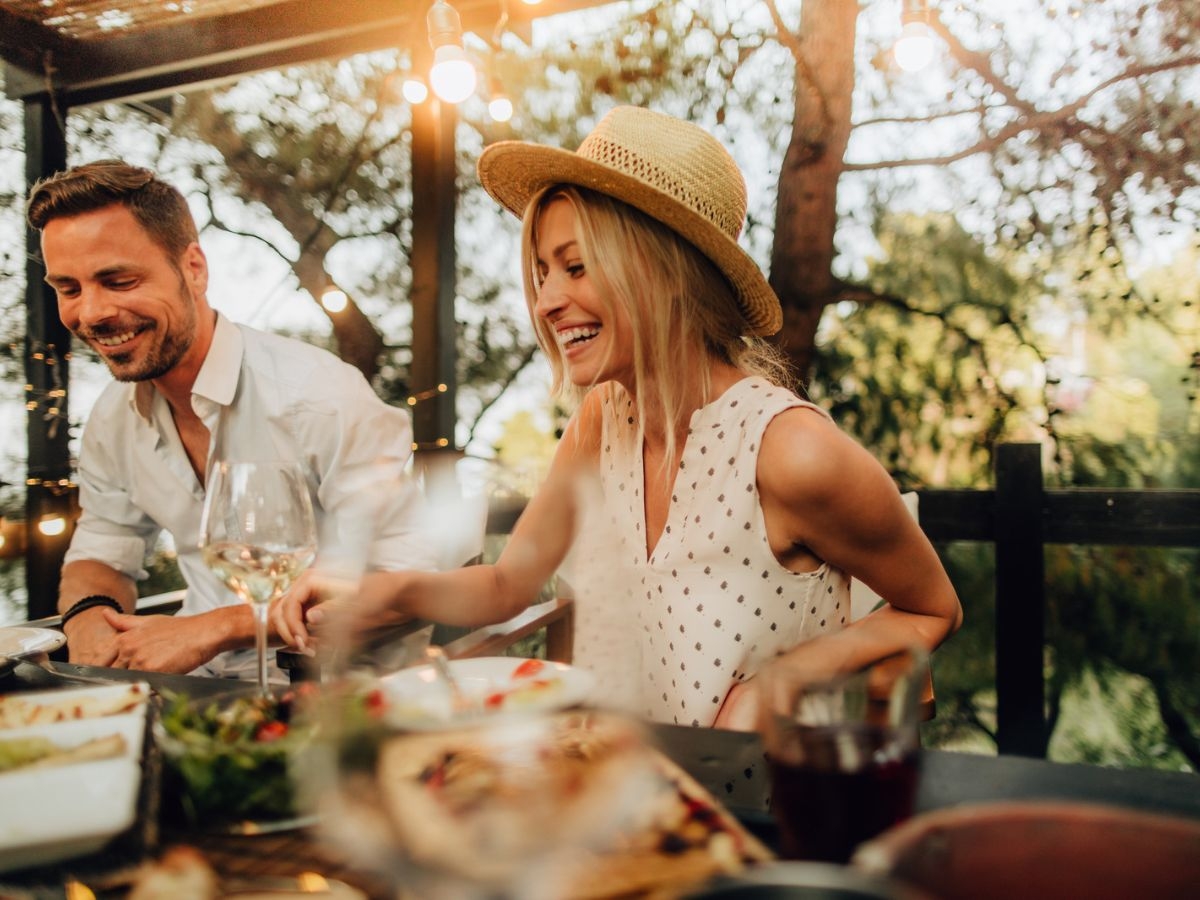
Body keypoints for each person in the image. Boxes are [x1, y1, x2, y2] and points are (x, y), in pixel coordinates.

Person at [273, 106, 962, 728]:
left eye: (575, 267)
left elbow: (933, 608)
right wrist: (384, 586)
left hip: (765, 814)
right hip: (625, 802)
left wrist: (781, 682)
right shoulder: (603, 419)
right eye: (543, 272)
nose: (545, 302)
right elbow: (506, 585)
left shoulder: (791, 451)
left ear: (663, 272)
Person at [28, 160, 436, 678]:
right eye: (69, 289)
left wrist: (219, 627)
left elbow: (408, 582)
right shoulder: (112, 418)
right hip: (193, 692)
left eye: (119, 280)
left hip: (345, 697)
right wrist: (87, 618)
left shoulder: (318, 397)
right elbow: (103, 553)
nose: (90, 313)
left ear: (194, 269)